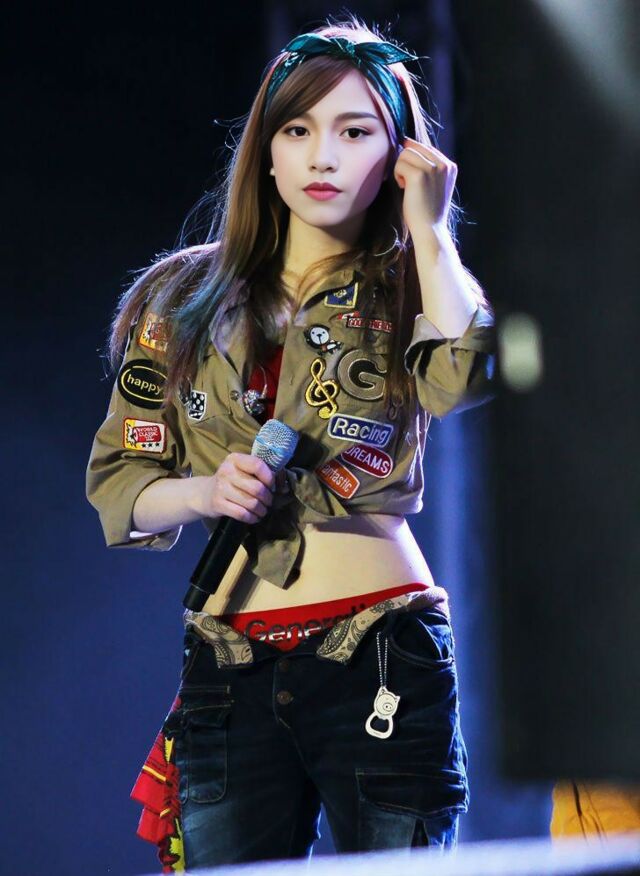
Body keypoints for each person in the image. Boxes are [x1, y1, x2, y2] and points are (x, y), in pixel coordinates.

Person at [86, 15, 496, 872]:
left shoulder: (415, 282)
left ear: (400, 157)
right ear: (265, 151)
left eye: (355, 133)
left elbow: (467, 376)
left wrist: (430, 229)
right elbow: (122, 483)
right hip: (225, 658)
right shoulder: (178, 299)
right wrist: (205, 492)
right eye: (297, 130)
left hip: (380, 648)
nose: (322, 157)